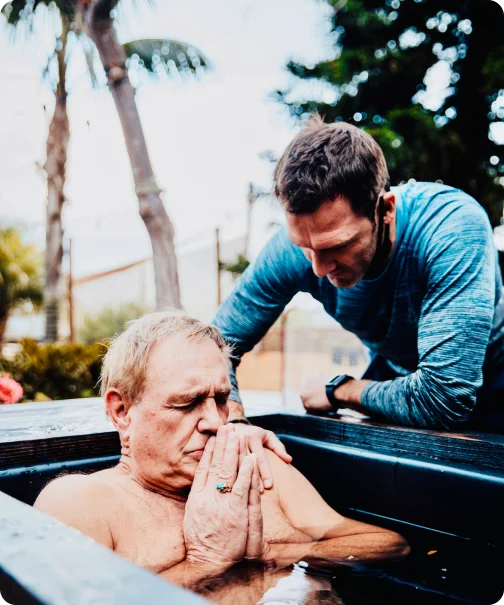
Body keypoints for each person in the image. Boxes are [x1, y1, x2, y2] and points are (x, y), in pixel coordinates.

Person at [34, 312, 408, 602]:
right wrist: (206, 562)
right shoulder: (82, 504)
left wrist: (271, 552)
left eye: (221, 399)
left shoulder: (259, 468)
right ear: (121, 412)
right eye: (188, 402)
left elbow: (390, 545)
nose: (214, 420)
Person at [212, 116, 504, 432]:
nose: (318, 268)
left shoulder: (452, 229)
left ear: (386, 209)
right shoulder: (290, 251)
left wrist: (340, 390)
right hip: (401, 382)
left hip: (492, 384)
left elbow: (444, 399)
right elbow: (215, 349)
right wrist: (235, 421)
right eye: (304, 246)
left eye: (338, 245)